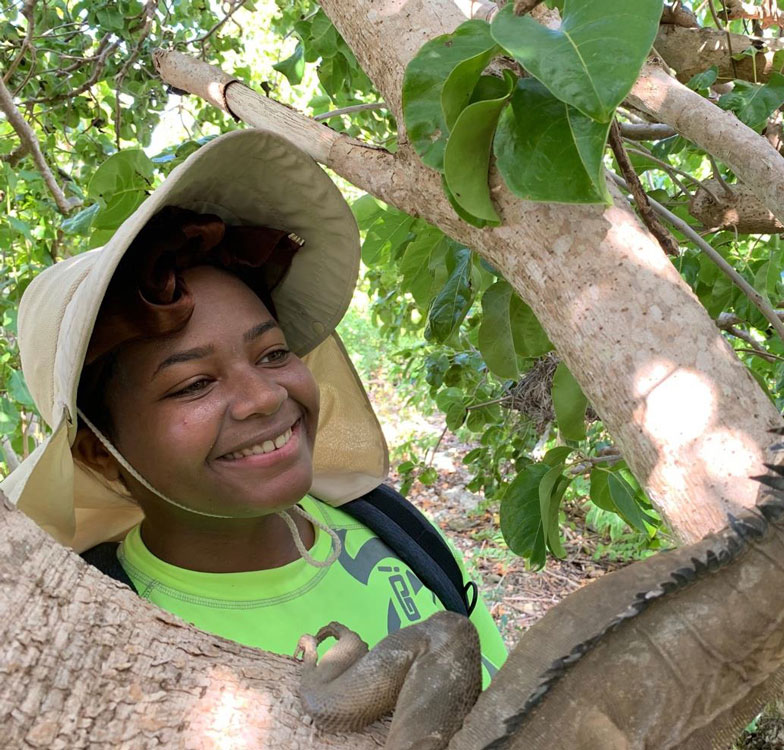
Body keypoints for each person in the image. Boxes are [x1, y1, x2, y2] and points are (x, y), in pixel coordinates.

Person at [1, 129, 507, 686]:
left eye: (272, 353)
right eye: (194, 384)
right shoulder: (110, 636)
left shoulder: (391, 527)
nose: (266, 396)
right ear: (99, 451)